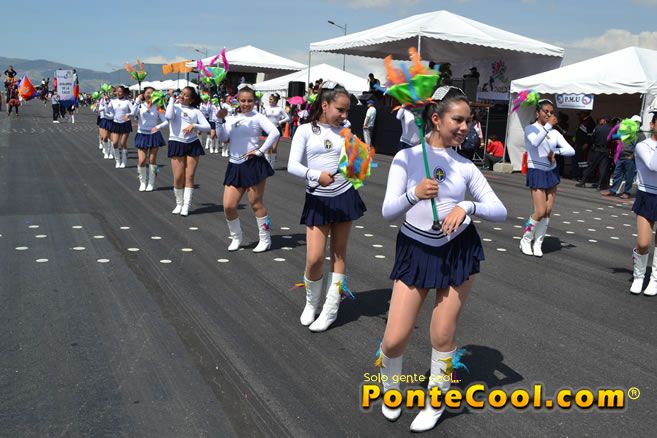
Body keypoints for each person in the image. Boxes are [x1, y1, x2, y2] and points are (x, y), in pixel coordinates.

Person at [377, 86, 507, 432]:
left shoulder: (465, 166)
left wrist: (466, 206)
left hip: (457, 252)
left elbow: (500, 210)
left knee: (442, 334)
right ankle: (390, 387)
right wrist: (414, 193)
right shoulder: (406, 158)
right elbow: (388, 212)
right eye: (458, 120)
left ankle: (437, 400)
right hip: (415, 250)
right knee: (394, 339)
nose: (466, 127)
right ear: (436, 119)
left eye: (469, 120)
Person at [287, 81, 366, 332]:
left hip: (344, 195)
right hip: (318, 198)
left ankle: (331, 309)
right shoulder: (305, 130)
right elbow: (292, 165)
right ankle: (311, 303)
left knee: (339, 254)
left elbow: (354, 166)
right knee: (315, 258)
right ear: (324, 105)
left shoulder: (346, 131)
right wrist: (315, 175)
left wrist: (359, 159)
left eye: (347, 111)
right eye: (340, 109)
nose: (344, 115)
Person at [216, 84, 280, 252]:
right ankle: (236, 237)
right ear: (237, 100)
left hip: (253, 164)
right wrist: (219, 120)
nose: (246, 104)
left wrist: (260, 151)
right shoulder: (231, 118)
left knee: (256, 203)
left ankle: (265, 239)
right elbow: (223, 138)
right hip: (234, 165)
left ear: (254, 101)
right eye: (243, 100)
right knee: (229, 206)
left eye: (250, 101)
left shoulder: (258, 117)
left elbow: (275, 132)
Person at [519, 100, 575, 257]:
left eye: (551, 112)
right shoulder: (530, 129)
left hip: (551, 171)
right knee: (540, 210)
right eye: (546, 111)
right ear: (538, 113)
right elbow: (535, 143)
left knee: (548, 210)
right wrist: (548, 126)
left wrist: (555, 152)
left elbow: (571, 150)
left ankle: (538, 243)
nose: (549, 114)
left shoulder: (555, 133)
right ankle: (526, 239)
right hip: (536, 170)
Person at [165, 86, 211, 216]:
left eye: (186, 95)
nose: (182, 96)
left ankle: (186, 205)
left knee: (189, 176)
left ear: (191, 100)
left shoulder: (195, 111)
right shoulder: (174, 107)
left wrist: (194, 125)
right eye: (181, 93)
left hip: (192, 143)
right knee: (178, 177)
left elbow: (207, 127)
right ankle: (179, 203)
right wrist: (171, 98)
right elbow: (168, 116)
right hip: (176, 142)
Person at [630, 112, 657, 295]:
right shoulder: (643, 146)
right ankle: (639, 276)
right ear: (652, 124)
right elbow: (653, 166)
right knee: (643, 243)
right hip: (647, 195)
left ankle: (654, 279)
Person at [130, 86, 168, 192]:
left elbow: (166, 121)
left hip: (154, 135)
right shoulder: (140, 105)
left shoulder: (158, 106)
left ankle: (151, 182)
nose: (149, 94)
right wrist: (137, 101)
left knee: (152, 160)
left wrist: (158, 127)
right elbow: (132, 114)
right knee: (142, 161)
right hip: (142, 134)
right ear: (143, 94)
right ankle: (142, 182)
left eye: (152, 93)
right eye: (147, 92)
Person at [601, 115, 641, 199]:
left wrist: (632, 156)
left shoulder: (640, 135)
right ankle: (613, 190)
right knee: (617, 174)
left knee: (629, 176)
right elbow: (612, 136)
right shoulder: (626, 131)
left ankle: (627, 192)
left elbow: (640, 148)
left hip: (630, 158)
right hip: (621, 156)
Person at [576, 116, 613, 189]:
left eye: (602, 120)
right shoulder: (611, 129)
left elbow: (592, 138)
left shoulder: (598, 128)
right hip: (606, 150)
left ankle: (582, 182)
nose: (600, 121)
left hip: (597, 149)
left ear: (605, 121)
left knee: (591, 165)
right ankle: (600, 184)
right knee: (603, 168)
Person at [105, 86, 134, 169]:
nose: (118, 93)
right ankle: (118, 161)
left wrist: (128, 115)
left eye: (120, 91)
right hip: (116, 123)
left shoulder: (127, 102)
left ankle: (124, 162)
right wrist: (106, 102)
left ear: (123, 93)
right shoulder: (113, 101)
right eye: (117, 91)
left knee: (122, 143)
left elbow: (133, 112)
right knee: (114, 143)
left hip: (125, 123)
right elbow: (108, 110)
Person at [261, 93, 290, 168]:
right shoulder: (266, 108)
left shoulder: (280, 109)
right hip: (268, 129)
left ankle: (272, 165)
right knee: (268, 147)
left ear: (275, 100)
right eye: (269, 99)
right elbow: (262, 117)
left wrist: (280, 122)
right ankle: (267, 164)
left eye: (271, 99)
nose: (269, 101)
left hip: (276, 129)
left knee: (274, 148)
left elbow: (287, 118)